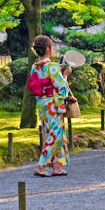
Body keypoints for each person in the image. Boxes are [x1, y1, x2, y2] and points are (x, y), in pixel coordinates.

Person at [28, 35, 72, 177]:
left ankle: (56, 166)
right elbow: (60, 87)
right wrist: (65, 75)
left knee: (49, 133)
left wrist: (57, 70)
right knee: (56, 134)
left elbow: (40, 81)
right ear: (47, 48)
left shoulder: (36, 65)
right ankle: (40, 166)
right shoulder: (51, 66)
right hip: (52, 104)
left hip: (41, 103)